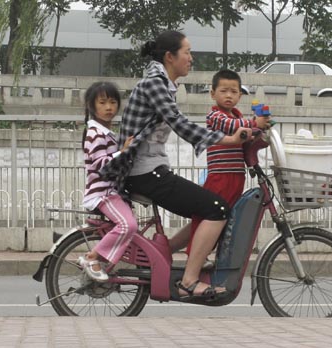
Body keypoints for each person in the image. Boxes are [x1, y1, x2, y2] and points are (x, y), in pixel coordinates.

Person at [100, 30, 250, 300]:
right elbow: (180, 124)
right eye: (187, 53)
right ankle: (189, 281)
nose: (191, 58)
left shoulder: (164, 84)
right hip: (143, 172)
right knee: (216, 208)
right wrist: (229, 139)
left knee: (205, 208)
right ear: (170, 57)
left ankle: (167, 253)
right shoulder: (154, 84)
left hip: (151, 169)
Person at [185, 69, 270, 255]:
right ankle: (195, 255)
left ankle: (208, 254)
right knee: (210, 216)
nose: (229, 95)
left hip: (236, 177)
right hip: (220, 176)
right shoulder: (215, 116)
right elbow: (231, 127)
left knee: (226, 219)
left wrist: (261, 129)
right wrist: (254, 123)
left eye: (233, 91)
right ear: (212, 93)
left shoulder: (238, 117)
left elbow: (244, 133)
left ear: (240, 95)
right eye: (223, 91)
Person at [78, 82, 138, 282]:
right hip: (103, 193)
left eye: (113, 102)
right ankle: (92, 257)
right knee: (128, 225)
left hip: (111, 192)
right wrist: (123, 151)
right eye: (102, 102)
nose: (109, 107)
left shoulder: (106, 132)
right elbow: (101, 165)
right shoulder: (95, 134)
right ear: (92, 105)